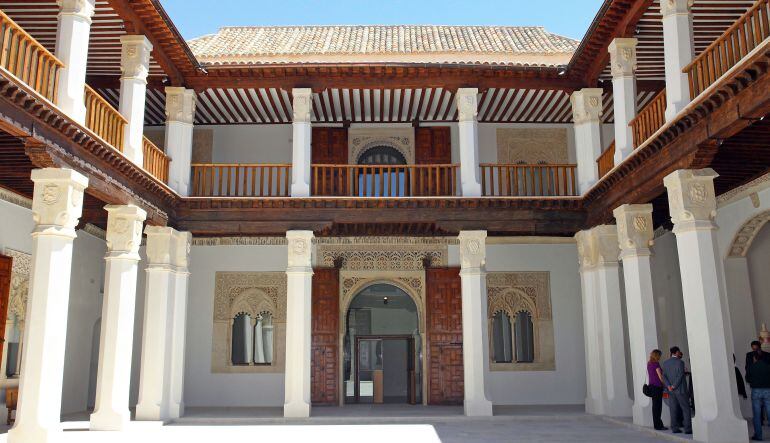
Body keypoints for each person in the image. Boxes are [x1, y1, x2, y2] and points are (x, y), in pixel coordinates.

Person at [662, 346, 692, 435]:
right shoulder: (680, 362)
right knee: (686, 409)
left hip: (671, 390)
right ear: (676, 352)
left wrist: (669, 386)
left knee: (673, 409)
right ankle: (688, 429)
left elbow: (664, 376)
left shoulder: (665, 363)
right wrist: (674, 385)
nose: (680, 353)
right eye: (679, 352)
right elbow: (680, 376)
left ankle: (674, 428)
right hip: (680, 390)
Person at [747, 352, 770, 441]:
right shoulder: (768, 366)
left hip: (756, 390)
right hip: (768, 390)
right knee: (769, 411)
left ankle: (758, 436)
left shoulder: (752, 367)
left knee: (757, 414)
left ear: (755, 358)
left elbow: (748, 378)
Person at [647, 349, 667, 430]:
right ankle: (658, 425)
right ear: (657, 355)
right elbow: (660, 376)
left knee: (655, 407)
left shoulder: (649, 364)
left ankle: (657, 424)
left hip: (651, 387)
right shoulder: (656, 364)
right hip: (657, 387)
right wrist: (665, 384)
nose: (660, 357)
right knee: (658, 407)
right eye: (660, 355)